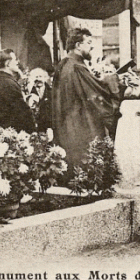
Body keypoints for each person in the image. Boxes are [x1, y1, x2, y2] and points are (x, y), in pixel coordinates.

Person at [52, 28, 124, 178]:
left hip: (66, 131)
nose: (92, 46)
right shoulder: (77, 67)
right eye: (89, 42)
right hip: (80, 133)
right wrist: (114, 80)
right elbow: (98, 93)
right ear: (78, 45)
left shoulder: (63, 64)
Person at [0, 49, 35, 134]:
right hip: (13, 134)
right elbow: (24, 113)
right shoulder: (10, 84)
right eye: (15, 59)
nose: (17, 62)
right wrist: (33, 130)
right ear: (7, 63)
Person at [27, 68, 52, 133]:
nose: (39, 79)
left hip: (50, 125)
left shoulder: (51, 92)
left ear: (45, 78)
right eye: (36, 77)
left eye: (40, 76)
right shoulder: (29, 93)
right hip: (37, 126)